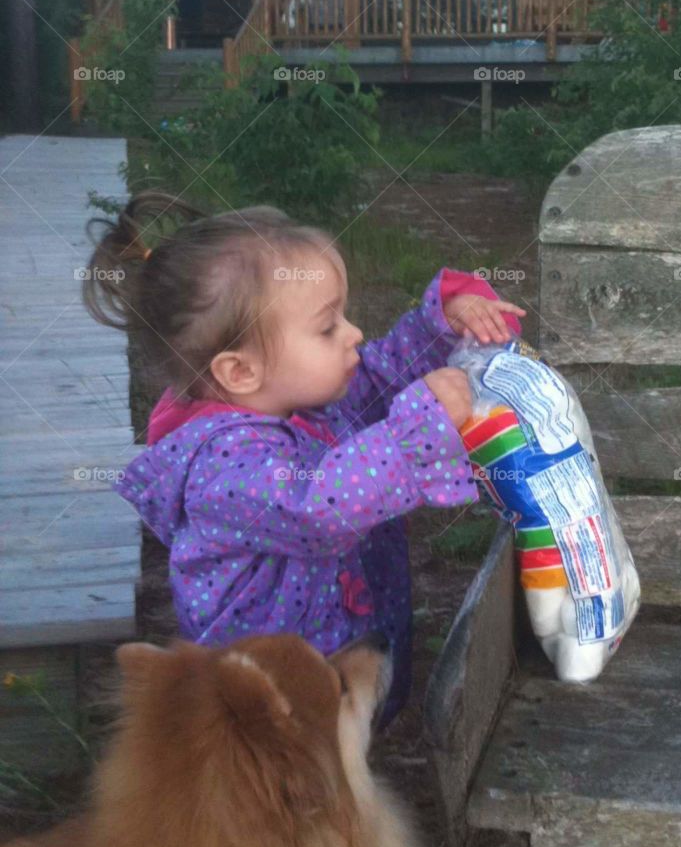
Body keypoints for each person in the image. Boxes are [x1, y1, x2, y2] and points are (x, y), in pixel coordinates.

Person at [81, 190, 525, 727]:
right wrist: (419, 429)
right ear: (239, 372)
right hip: (274, 718)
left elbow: (379, 376)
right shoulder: (221, 469)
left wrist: (443, 326)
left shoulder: (298, 401)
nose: (354, 333)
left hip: (331, 677)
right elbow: (316, 505)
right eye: (327, 327)